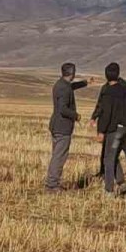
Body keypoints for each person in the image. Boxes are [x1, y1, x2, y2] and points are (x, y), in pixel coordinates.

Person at [89, 61, 126, 195]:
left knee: (109, 158)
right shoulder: (125, 87)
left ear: (106, 76)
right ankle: (122, 183)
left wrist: (100, 130)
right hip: (125, 128)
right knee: (115, 154)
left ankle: (109, 190)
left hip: (115, 130)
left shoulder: (107, 91)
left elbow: (105, 112)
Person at [44, 62, 90, 193]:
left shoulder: (60, 84)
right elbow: (63, 108)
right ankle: (52, 185)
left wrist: (85, 83)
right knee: (59, 157)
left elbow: (71, 87)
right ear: (72, 73)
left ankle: (52, 183)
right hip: (62, 127)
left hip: (56, 125)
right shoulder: (64, 88)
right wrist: (76, 116)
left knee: (56, 155)